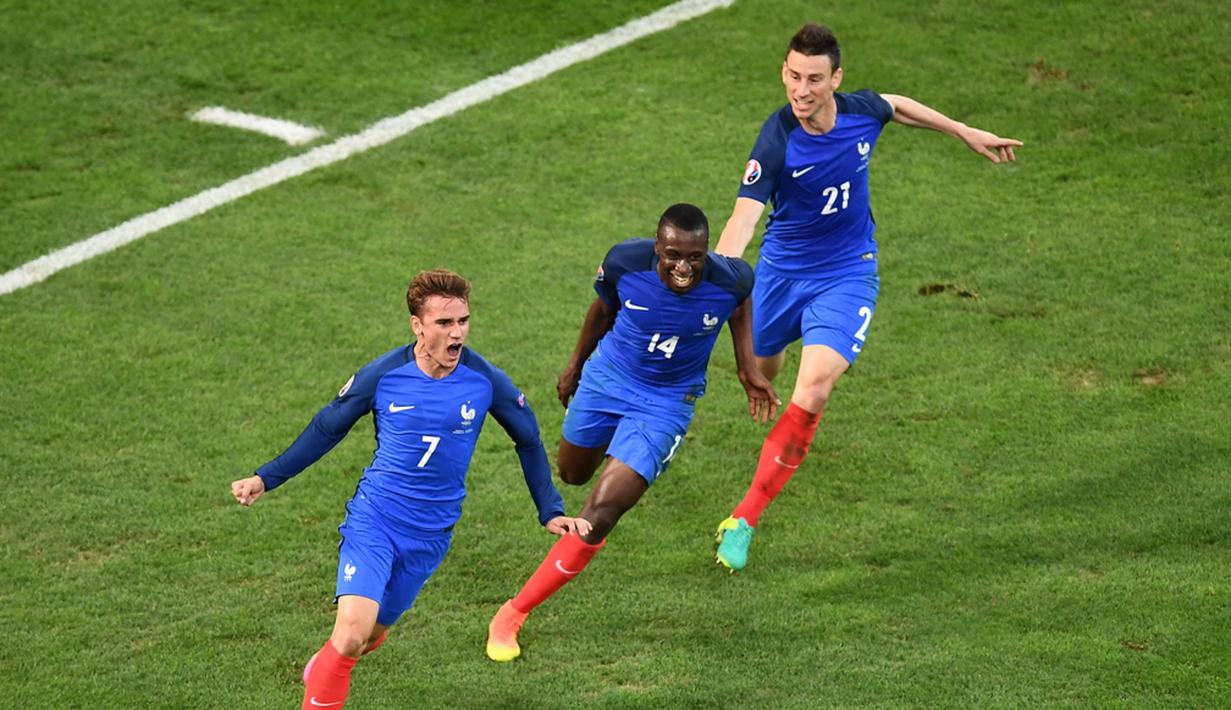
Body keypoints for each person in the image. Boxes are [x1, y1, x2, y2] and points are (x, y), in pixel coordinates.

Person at [712, 23, 1023, 571]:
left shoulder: (859, 112)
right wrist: (717, 280)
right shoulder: (777, 138)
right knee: (765, 362)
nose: (800, 90)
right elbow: (744, 217)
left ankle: (743, 519)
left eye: (813, 79)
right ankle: (770, 360)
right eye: (791, 75)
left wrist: (962, 130)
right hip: (781, 275)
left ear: (837, 79)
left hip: (847, 273)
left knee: (815, 387)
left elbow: (897, 106)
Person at [229, 269, 589, 709]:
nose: (457, 334)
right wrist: (266, 477)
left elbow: (528, 438)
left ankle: (325, 668)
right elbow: (327, 428)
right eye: (444, 323)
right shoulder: (383, 376)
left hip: (430, 536)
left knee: (362, 643)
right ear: (417, 326)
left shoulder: (485, 381)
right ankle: (330, 667)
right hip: (375, 521)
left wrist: (549, 508)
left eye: (463, 321)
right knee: (350, 637)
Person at [484, 203, 779, 661]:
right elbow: (601, 312)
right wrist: (574, 367)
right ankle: (619, 450)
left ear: (706, 253)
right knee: (573, 473)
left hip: (666, 404)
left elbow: (741, 303)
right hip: (608, 380)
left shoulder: (731, 278)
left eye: (695, 258)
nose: (683, 267)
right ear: (656, 248)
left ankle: (512, 613)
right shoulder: (624, 262)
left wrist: (746, 367)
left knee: (600, 511)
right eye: (673, 256)